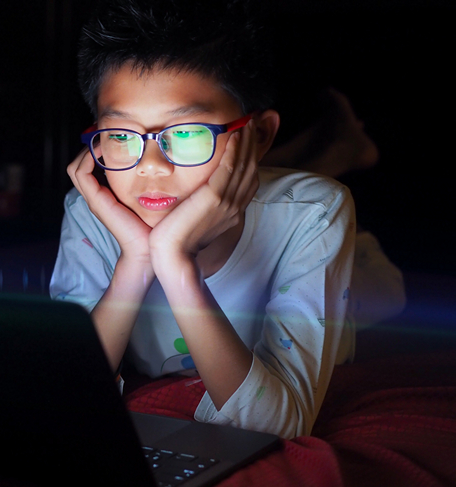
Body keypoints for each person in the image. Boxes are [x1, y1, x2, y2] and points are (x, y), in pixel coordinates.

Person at [49, 0, 404, 439]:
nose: (152, 166)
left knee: (390, 293)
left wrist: (175, 263)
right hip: (256, 188)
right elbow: (62, 394)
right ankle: (332, 150)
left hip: (357, 287)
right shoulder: (91, 211)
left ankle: (338, 154)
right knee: (248, 185)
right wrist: (136, 261)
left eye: (187, 133)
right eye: (122, 136)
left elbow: (280, 423)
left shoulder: (314, 215)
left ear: (258, 136)